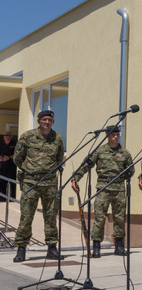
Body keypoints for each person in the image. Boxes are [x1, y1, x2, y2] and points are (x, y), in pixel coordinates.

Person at [71, 126, 132, 257]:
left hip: (119, 188)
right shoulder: (100, 151)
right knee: (99, 217)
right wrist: (76, 178)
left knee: (119, 218)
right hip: (103, 188)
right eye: (113, 135)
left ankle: (119, 245)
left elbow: (131, 170)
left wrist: (126, 173)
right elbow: (86, 165)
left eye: (118, 134)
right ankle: (96, 245)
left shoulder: (125, 153)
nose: (116, 137)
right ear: (107, 136)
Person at [13, 110, 65, 262]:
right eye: (44, 119)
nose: (47, 122)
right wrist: (30, 170)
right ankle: (21, 249)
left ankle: (52, 248)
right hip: (31, 182)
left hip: (50, 183)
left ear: (53, 122)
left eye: (49, 120)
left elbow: (59, 159)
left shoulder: (57, 138)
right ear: (39, 121)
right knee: (26, 216)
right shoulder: (27, 136)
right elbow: (17, 158)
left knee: (51, 216)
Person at [0, 131, 17, 201]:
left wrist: (9, 157)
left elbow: (17, 154)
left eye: (8, 135)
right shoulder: (1, 145)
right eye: (5, 135)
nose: (6, 137)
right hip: (2, 167)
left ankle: (12, 199)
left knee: (12, 184)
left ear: (11, 136)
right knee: (2, 183)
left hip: (11, 167)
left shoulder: (14, 145)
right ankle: (2, 198)